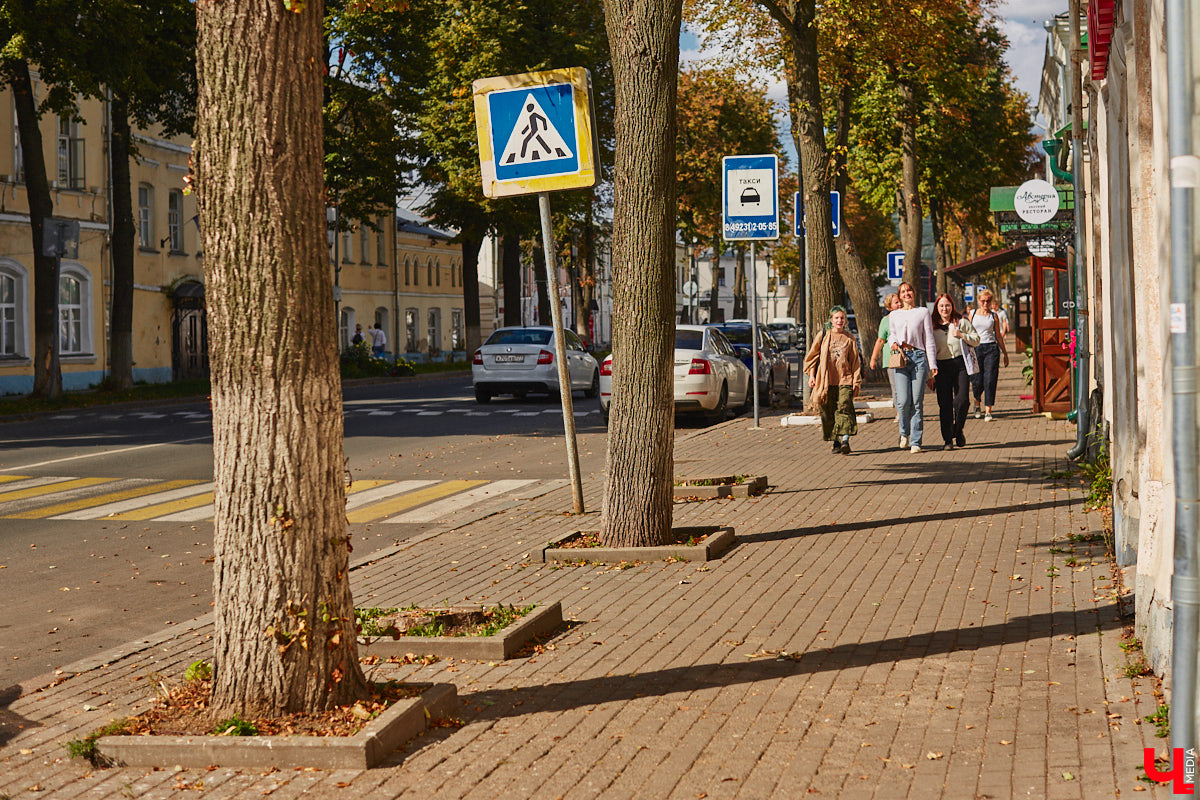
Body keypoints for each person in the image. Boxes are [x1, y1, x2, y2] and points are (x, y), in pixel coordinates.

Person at [804, 306, 862, 455]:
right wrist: (812, 376)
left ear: (845, 321)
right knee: (828, 411)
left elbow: (855, 362)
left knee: (844, 407)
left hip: (845, 379)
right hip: (826, 381)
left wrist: (856, 382)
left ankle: (845, 441)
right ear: (831, 320)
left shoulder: (850, 338)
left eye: (842, 318)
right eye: (836, 318)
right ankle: (835, 440)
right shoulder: (823, 335)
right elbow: (812, 358)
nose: (839, 321)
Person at [887, 281, 938, 454]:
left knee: (917, 401)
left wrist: (933, 365)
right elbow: (891, 334)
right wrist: (893, 342)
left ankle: (916, 441)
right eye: (903, 291)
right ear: (899, 296)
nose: (907, 293)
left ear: (914, 293)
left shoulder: (923, 312)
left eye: (909, 290)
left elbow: (929, 339)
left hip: (918, 358)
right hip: (901, 358)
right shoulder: (894, 315)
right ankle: (904, 432)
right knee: (902, 401)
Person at [932, 293, 980, 450]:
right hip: (941, 366)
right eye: (941, 306)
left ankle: (957, 430)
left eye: (947, 305)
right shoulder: (932, 325)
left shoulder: (961, 322)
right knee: (944, 404)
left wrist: (961, 334)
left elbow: (976, 339)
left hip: (960, 364)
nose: (944, 309)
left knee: (962, 401)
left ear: (952, 306)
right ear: (937, 308)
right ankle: (947, 440)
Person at [968, 289, 1009, 421]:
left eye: (988, 301)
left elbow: (998, 335)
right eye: (983, 301)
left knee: (990, 379)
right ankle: (976, 402)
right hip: (976, 348)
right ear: (978, 301)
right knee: (977, 379)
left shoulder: (994, 316)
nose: (986, 303)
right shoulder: (972, 314)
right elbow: (967, 332)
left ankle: (988, 410)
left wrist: (1005, 353)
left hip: (991, 348)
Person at [868, 293, 902, 413]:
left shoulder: (906, 317)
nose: (899, 304)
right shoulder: (885, 320)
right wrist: (873, 358)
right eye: (896, 302)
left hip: (907, 357)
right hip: (892, 359)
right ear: (889, 306)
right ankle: (900, 413)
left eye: (900, 301)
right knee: (896, 387)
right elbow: (880, 340)